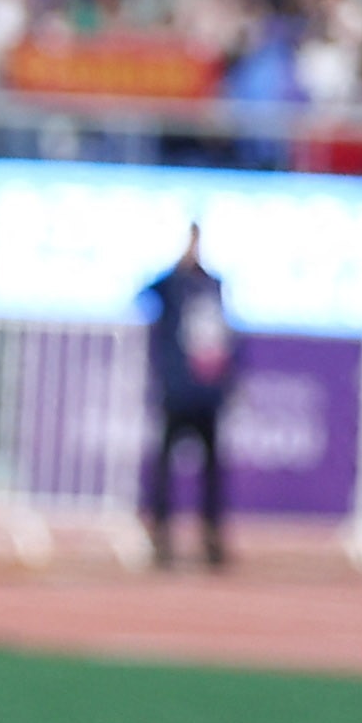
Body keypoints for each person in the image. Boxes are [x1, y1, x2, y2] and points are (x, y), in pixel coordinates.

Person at [134, 222, 235, 571]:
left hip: (206, 394)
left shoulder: (213, 285)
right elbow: (143, 295)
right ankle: (161, 538)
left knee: (212, 473)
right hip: (177, 392)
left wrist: (228, 384)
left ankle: (211, 539)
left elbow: (225, 338)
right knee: (163, 470)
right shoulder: (172, 284)